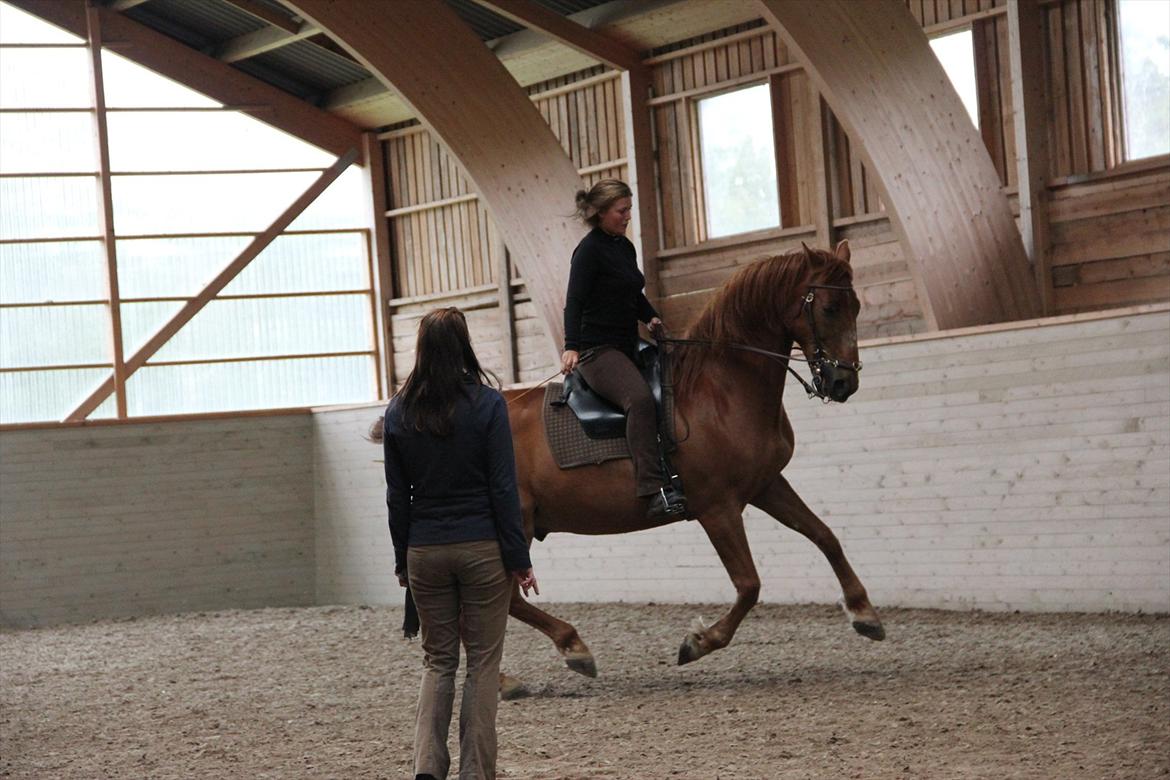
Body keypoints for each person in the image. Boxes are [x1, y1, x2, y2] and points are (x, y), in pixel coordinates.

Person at [383, 307, 538, 780]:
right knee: (484, 663)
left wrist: (402, 560)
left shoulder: (399, 411)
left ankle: (428, 766)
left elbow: (397, 496)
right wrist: (519, 558)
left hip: (425, 551)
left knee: (438, 661)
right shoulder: (488, 406)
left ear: (422, 349)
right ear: (464, 344)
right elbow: (502, 489)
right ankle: (475, 772)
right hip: (482, 548)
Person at [561, 179, 686, 519]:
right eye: (622, 210)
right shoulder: (588, 252)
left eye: (629, 209)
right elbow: (574, 303)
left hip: (628, 344)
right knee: (640, 399)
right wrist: (571, 346)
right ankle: (652, 488)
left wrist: (652, 318)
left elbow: (633, 294)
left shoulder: (623, 247)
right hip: (596, 351)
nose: (627, 216)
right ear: (601, 213)